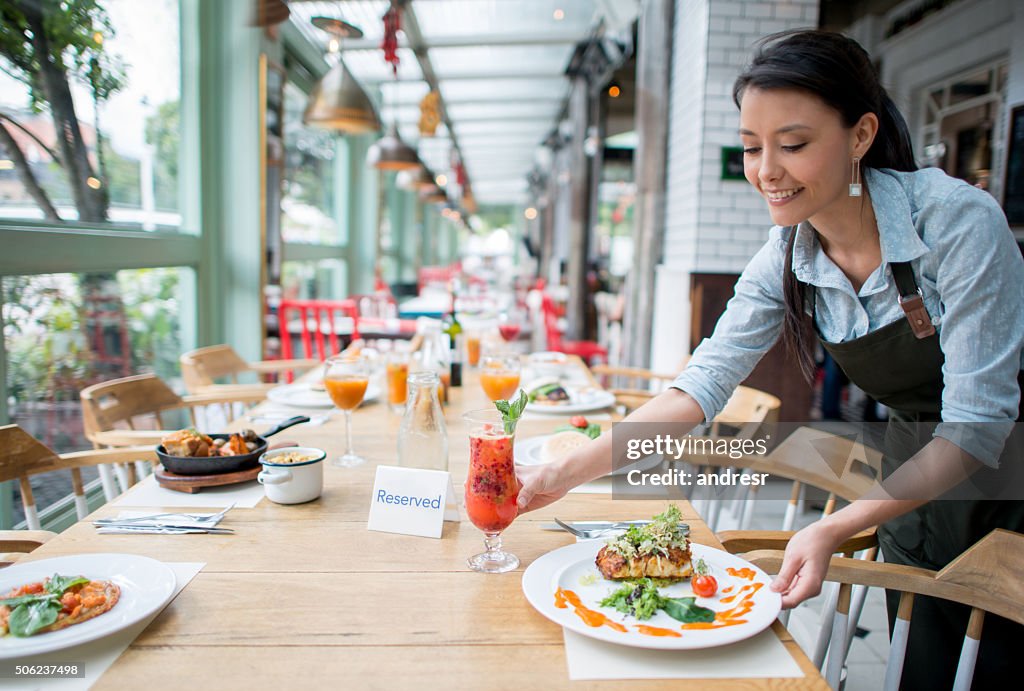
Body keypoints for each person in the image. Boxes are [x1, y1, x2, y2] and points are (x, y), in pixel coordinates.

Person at [515, 30, 1024, 689]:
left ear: (861, 135)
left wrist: (835, 526)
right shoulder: (786, 254)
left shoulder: (956, 223)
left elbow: (978, 425)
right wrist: (567, 470)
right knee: (922, 661)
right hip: (913, 475)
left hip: (1007, 477)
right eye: (752, 148)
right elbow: (700, 387)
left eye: (793, 144)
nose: (766, 171)